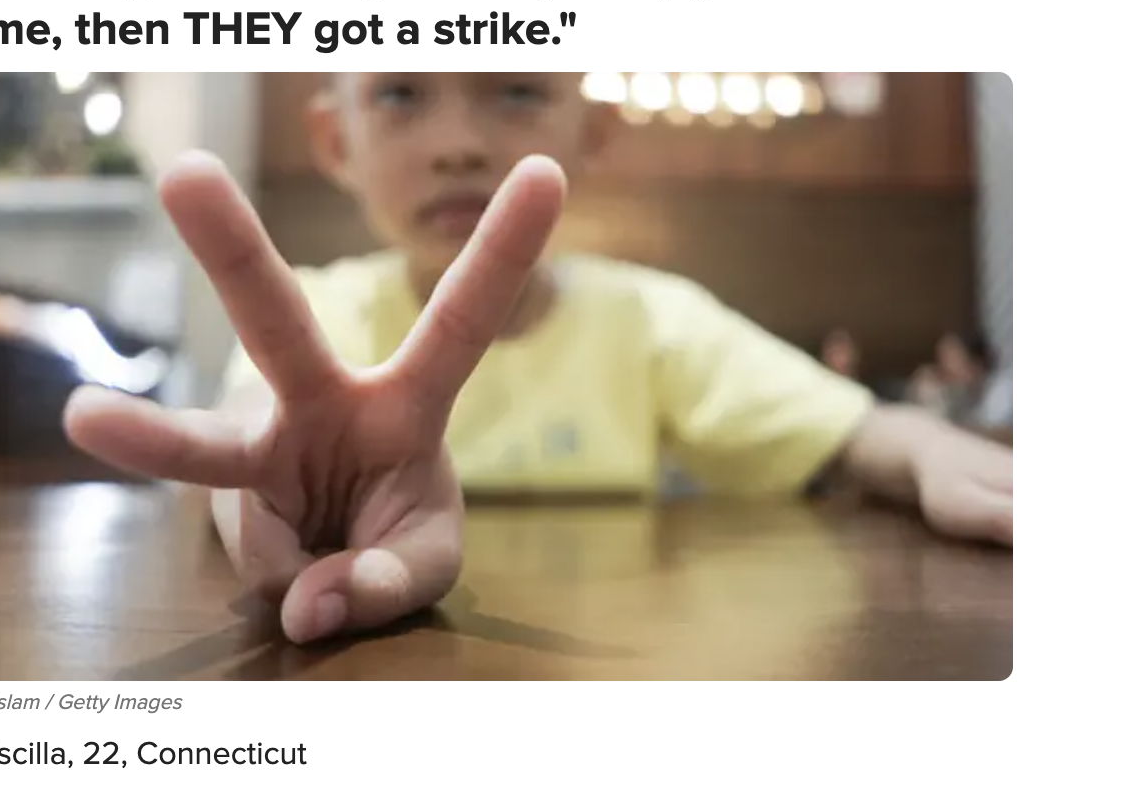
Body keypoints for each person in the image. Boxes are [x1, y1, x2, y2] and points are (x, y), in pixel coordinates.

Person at [64, 73, 1013, 646]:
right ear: (334, 139)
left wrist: (929, 452)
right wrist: (256, 493)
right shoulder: (315, 315)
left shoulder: (650, 318)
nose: (459, 146)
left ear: (589, 131)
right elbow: (244, 437)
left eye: (516, 90)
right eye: (399, 94)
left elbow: (856, 429)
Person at [908, 332, 1013, 432]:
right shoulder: (958, 397)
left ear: (976, 367)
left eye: (951, 360)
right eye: (940, 361)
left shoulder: (1001, 394)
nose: (943, 371)